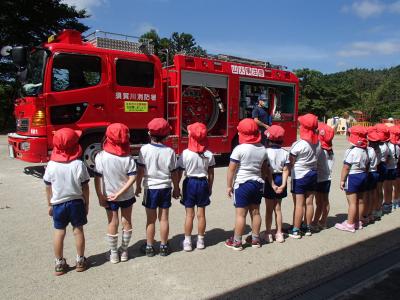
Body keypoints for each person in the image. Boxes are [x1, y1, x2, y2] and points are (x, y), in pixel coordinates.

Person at [43, 128, 90, 275]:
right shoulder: (78, 164)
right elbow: (85, 187)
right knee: (78, 231)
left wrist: (50, 204)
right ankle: (80, 260)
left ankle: (59, 263)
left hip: (58, 203)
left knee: (59, 232)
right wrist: (86, 203)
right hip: (76, 202)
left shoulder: (51, 165)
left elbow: (48, 187)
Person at [225, 118, 273, 250]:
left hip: (242, 184)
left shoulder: (239, 149)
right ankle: (256, 240)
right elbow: (264, 169)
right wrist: (262, 179)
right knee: (256, 212)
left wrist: (229, 185)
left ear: (242, 134)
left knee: (241, 214)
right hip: (257, 183)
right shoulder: (263, 149)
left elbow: (231, 169)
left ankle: (237, 242)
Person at [135, 118, 180, 257]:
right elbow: (174, 172)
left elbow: (140, 171)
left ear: (149, 133)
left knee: (150, 219)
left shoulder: (144, 150)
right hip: (165, 187)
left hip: (150, 188)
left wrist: (137, 186)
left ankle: (149, 247)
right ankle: (164, 246)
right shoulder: (170, 152)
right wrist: (176, 188)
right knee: (164, 218)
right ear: (167, 136)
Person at [94, 123, 136, 263]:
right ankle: (124, 251)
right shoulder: (128, 157)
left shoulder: (100, 156)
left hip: (108, 195)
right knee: (126, 220)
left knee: (112, 222)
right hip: (127, 195)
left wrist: (100, 195)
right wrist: (121, 192)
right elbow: (133, 177)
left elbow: (97, 178)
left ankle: (113, 254)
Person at [177, 122, 215, 251]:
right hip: (203, 183)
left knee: (189, 215)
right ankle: (200, 240)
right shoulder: (209, 154)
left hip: (189, 183)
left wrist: (176, 186)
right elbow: (211, 173)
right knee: (201, 214)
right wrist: (210, 187)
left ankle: (187, 241)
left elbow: (179, 171)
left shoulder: (185, 153)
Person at [289, 113, 320, 239]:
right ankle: (307, 227)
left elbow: (291, 161)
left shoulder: (299, 144)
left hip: (300, 175)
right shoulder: (318, 143)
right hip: (312, 174)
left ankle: (295, 229)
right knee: (309, 202)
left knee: (299, 204)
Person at [335, 126, 369, 233]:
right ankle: (358, 221)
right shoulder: (365, 150)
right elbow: (368, 165)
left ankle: (350, 224)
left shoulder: (352, 151)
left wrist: (342, 180)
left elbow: (346, 167)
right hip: (363, 175)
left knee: (352, 202)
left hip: (353, 176)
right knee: (360, 200)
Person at [263, 125, 289, 243]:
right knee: (278, 208)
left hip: (270, 180)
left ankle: (268, 233)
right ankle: (279, 233)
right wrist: (283, 185)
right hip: (280, 178)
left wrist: (272, 184)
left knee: (269, 209)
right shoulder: (285, 153)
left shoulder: (265, 152)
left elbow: (267, 170)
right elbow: (286, 170)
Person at [312, 123, 335, 231]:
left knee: (319, 202)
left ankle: (315, 222)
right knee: (325, 201)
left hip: (319, 179)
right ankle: (323, 221)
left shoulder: (320, 151)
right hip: (327, 178)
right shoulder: (330, 151)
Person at [383, 126, 400, 213]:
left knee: (387, 188)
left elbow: (386, 159)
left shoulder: (388, 146)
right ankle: (394, 201)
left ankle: (387, 203)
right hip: (394, 167)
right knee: (394, 186)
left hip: (388, 168)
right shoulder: (397, 147)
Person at [366, 127, 380, 223]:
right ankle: (373, 213)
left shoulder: (369, 150)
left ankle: (367, 214)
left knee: (367, 195)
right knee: (373, 194)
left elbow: (366, 164)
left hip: (370, 173)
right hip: (375, 171)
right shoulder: (378, 149)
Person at [375, 123, 390, 216]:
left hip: (379, 166)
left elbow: (376, 161)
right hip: (383, 166)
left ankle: (377, 208)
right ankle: (378, 207)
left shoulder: (380, 146)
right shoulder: (386, 144)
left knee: (377, 190)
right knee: (379, 190)